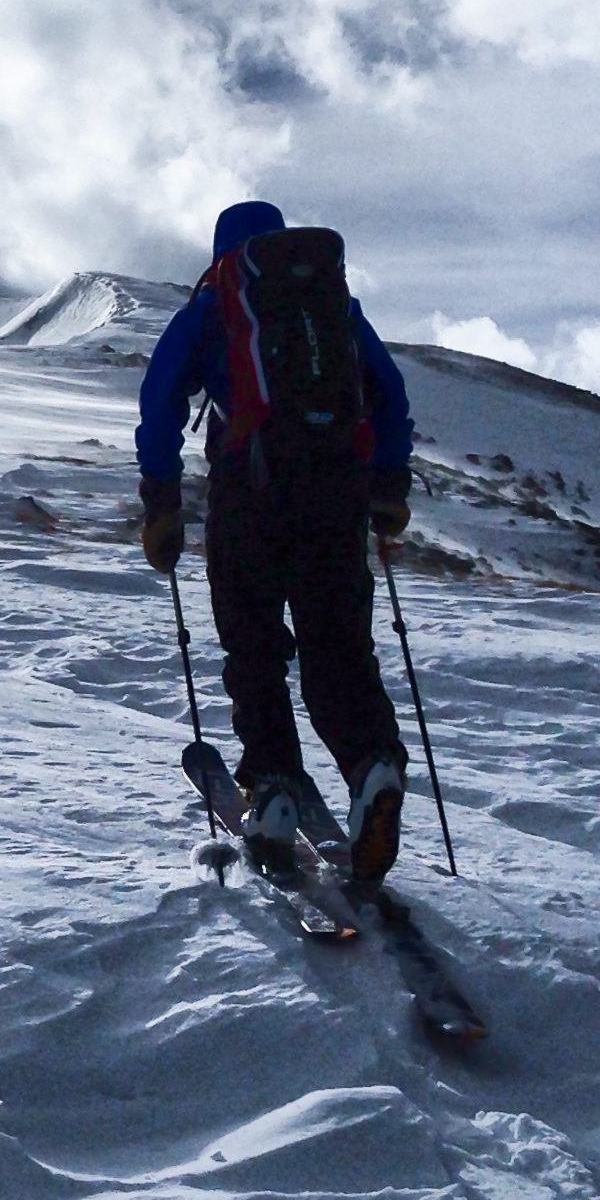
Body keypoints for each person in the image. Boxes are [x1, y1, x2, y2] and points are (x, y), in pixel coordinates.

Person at [135, 200, 415, 883]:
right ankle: (371, 766)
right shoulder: (331, 307)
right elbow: (388, 391)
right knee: (338, 648)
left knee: (253, 643)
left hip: (248, 490)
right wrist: (385, 486)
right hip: (337, 491)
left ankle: (273, 789)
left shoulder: (216, 303)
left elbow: (159, 394)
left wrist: (162, 503)